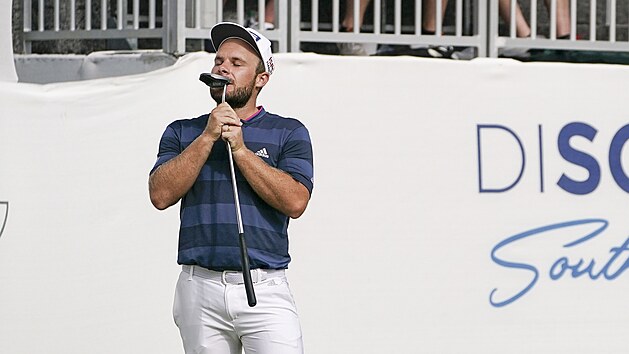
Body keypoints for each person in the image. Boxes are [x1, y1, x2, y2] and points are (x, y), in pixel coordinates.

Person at [149, 22, 314, 354]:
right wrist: (208, 136)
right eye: (219, 61)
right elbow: (160, 194)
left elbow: (296, 201)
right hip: (199, 288)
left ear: (260, 79)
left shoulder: (289, 132)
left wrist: (240, 150)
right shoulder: (183, 132)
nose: (223, 67)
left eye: (237, 64)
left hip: (264, 287)